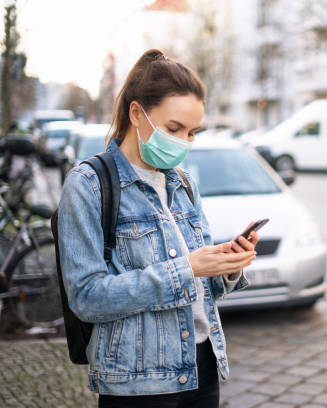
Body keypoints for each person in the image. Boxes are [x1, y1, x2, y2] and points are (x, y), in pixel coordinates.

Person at [57, 49, 256, 408]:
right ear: (137, 113)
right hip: (138, 382)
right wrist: (187, 268)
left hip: (202, 365)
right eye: (173, 129)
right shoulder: (88, 184)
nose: (183, 143)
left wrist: (226, 265)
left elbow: (201, 285)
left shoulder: (184, 183)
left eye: (192, 132)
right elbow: (87, 298)